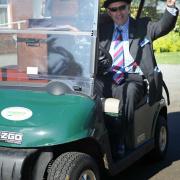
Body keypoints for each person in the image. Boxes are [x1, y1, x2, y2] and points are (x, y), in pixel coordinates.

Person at [96, 0, 179, 158]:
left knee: (127, 93)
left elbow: (164, 25)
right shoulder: (103, 29)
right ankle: (95, 132)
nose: (118, 13)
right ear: (108, 12)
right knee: (87, 88)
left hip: (132, 78)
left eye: (122, 8)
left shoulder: (143, 26)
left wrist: (170, 7)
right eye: (114, 9)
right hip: (108, 76)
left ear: (128, 8)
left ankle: (120, 139)